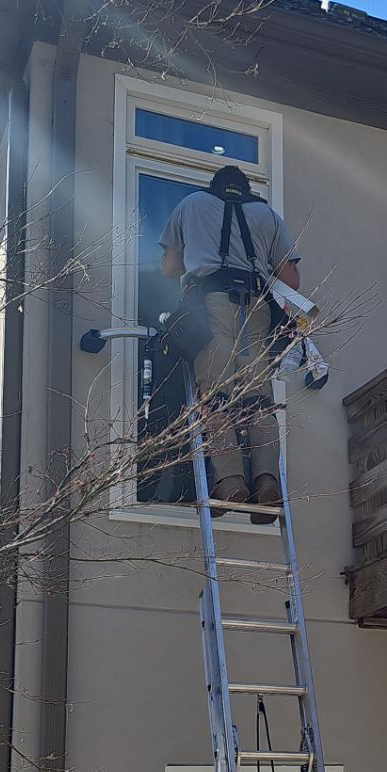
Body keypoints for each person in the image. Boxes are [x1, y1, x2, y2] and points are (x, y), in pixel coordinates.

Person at [159, 164, 301, 516]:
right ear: (247, 190)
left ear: (214, 187)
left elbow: (170, 268)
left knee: (218, 399)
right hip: (257, 310)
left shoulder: (191, 205)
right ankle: (267, 482)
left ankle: (232, 483)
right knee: (258, 401)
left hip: (210, 306)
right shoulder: (267, 215)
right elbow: (291, 279)